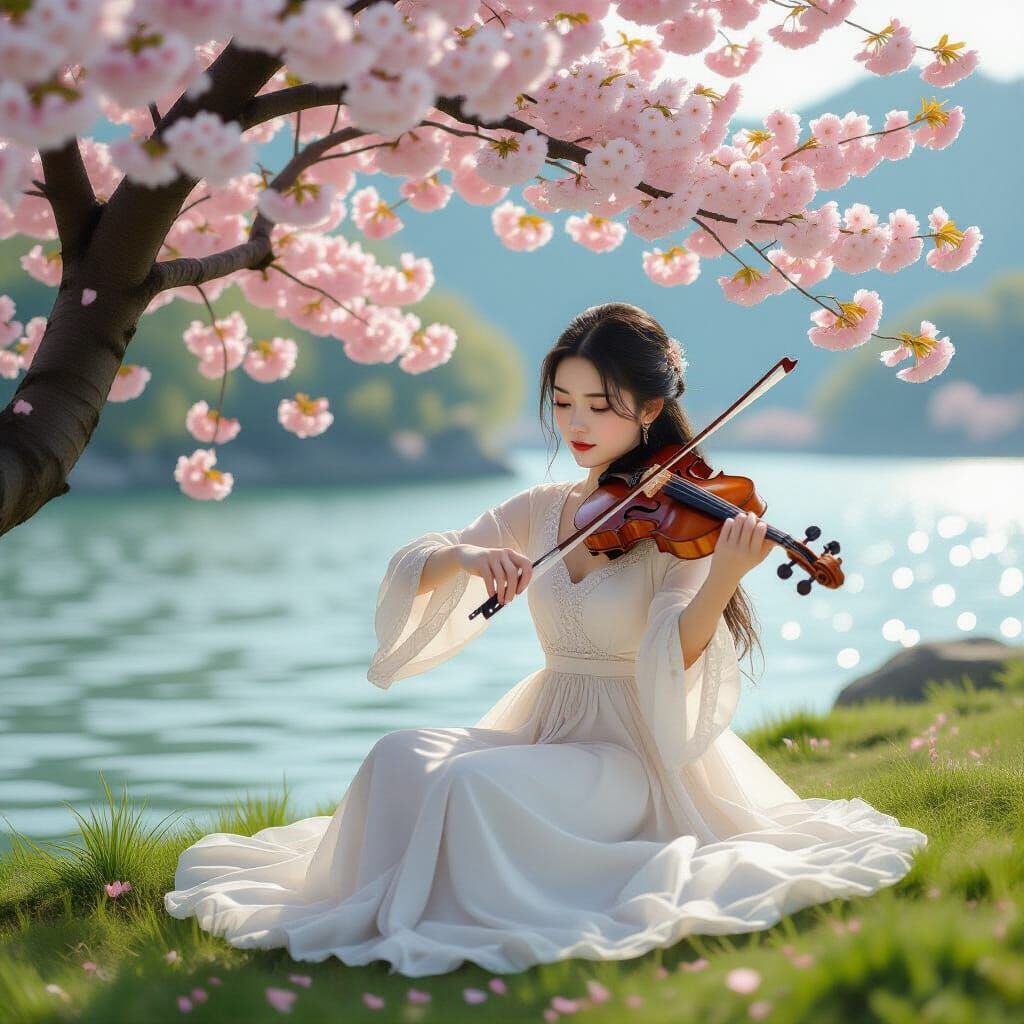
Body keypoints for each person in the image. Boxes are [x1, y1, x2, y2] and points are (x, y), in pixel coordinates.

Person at [164, 302, 928, 977]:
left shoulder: (685, 526)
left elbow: (676, 651)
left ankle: (449, 917)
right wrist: (468, 558)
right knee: (396, 755)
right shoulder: (543, 508)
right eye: (563, 403)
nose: (577, 424)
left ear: (650, 409)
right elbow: (419, 562)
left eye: (600, 405)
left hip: (632, 756)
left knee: (470, 784)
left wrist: (724, 576)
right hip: (546, 726)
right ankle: (387, 903)